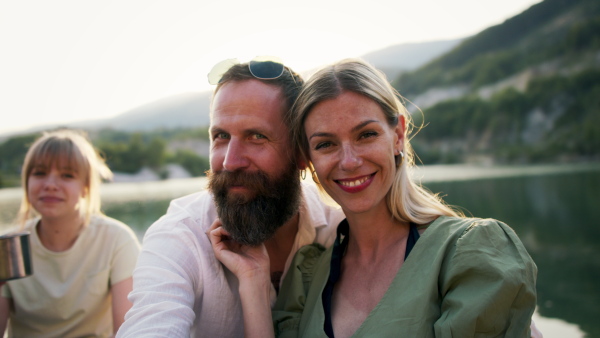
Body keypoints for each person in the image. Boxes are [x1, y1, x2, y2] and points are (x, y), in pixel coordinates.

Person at [210, 58, 539, 337]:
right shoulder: (308, 276)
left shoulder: (466, 254)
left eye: (365, 135)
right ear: (307, 159)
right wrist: (253, 282)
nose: (349, 161)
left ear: (397, 135)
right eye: (326, 144)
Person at [117, 58, 344, 337]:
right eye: (221, 136)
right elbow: (151, 324)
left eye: (257, 136)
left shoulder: (339, 230)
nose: (230, 161)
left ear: (301, 153)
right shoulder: (180, 236)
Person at [0, 129, 141, 337]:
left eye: (67, 175)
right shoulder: (8, 247)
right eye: (39, 173)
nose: (50, 185)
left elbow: (126, 331)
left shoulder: (116, 240)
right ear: (26, 180)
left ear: (85, 187)